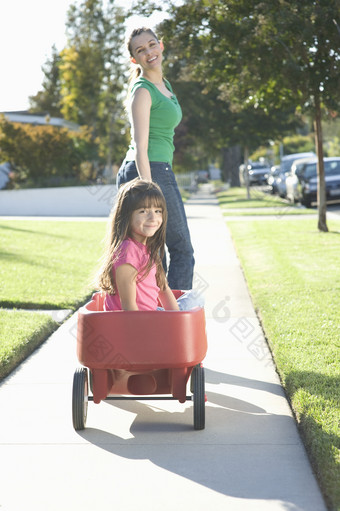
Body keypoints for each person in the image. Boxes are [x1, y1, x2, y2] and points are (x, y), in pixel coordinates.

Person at [116, 27, 194, 291]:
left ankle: (161, 315)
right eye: (141, 50)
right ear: (134, 60)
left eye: (151, 45)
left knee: (156, 252)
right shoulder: (143, 90)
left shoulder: (165, 85)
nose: (149, 52)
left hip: (158, 169)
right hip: (146, 170)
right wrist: (149, 191)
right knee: (179, 248)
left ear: (161, 45)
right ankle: (172, 317)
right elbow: (140, 145)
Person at [96, 179, 203, 312]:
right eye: (143, 211)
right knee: (196, 300)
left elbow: (163, 289)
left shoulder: (148, 249)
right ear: (126, 216)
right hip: (139, 324)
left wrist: (176, 320)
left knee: (195, 297)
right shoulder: (128, 250)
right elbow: (128, 307)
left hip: (150, 316)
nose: (153, 218)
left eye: (158, 211)